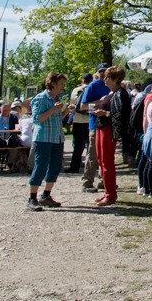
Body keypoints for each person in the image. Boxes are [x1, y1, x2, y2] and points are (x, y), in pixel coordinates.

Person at [27, 71, 71, 212]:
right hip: (44, 138)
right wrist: (54, 109)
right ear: (52, 84)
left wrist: (66, 112)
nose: (63, 87)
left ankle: (46, 195)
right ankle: (32, 198)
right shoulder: (41, 98)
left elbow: (56, 118)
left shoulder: (55, 98)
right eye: (61, 84)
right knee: (41, 166)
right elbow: (37, 119)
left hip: (57, 137)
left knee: (55, 167)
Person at [90, 65, 126, 206]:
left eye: (108, 77)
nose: (105, 79)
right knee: (101, 161)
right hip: (101, 128)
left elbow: (121, 114)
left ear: (116, 79)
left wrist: (104, 113)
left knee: (107, 162)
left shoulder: (120, 93)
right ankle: (107, 191)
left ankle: (110, 194)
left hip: (108, 129)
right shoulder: (111, 93)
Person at [78, 66, 109, 193]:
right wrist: (99, 101)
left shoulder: (111, 85)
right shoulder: (93, 86)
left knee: (106, 154)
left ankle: (104, 181)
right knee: (93, 154)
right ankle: (87, 182)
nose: (103, 74)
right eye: (101, 72)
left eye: (105, 72)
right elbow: (83, 106)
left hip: (107, 124)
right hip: (94, 124)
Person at [67, 73, 92, 173]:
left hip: (77, 120)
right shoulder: (92, 89)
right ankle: (90, 167)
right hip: (89, 120)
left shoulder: (76, 90)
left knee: (77, 146)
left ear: (82, 80)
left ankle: (74, 167)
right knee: (90, 146)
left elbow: (72, 105)